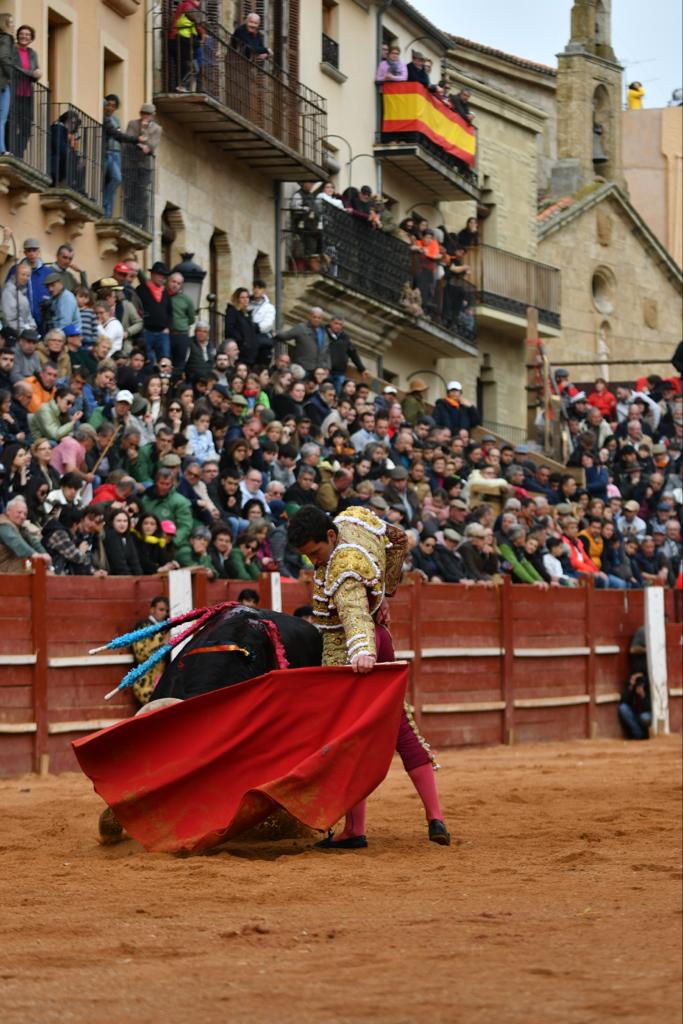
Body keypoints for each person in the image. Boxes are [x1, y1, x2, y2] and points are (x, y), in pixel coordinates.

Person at [287, 504, 450, 849]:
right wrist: (384, 593)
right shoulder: (354, 519)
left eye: (315, 552)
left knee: (347, 738)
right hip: (383, 638)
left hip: (349, 647)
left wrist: (361, 650)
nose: (314, 561)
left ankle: (354, 829)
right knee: (401, 726)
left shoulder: (342, 566)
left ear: (329, 536)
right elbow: (398, 539)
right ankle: (435, 817)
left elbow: (352, 611)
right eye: (306, 557)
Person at [0, 494, 50, 572]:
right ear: (8, 511)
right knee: (32, 568)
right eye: (19, 512)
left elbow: (33, 541)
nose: (22, 516)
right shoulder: (3, 525)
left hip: (12, 564)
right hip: (3, 566)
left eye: (25, 514)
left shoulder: (20, 527)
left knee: (39, 569)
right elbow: (16, 542)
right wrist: (35, 555)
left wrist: (45, 554)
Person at [275, 308, 331, 372]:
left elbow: (326, 351)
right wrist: (275, 334)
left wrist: (327, 367)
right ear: (310, 316)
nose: (316, 320)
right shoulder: (301, 327)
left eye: (319, 318)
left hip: (318, 369)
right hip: (303, 367)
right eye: (314, 317)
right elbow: (287, 335)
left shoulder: (323, 332)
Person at [0, 13, 17, 156]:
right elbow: (4, 57)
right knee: (2, 118)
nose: (13, 25)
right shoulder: (6, 38)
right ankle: (1, 149)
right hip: (2, 83)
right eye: (11, 22)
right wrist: (10, 75)